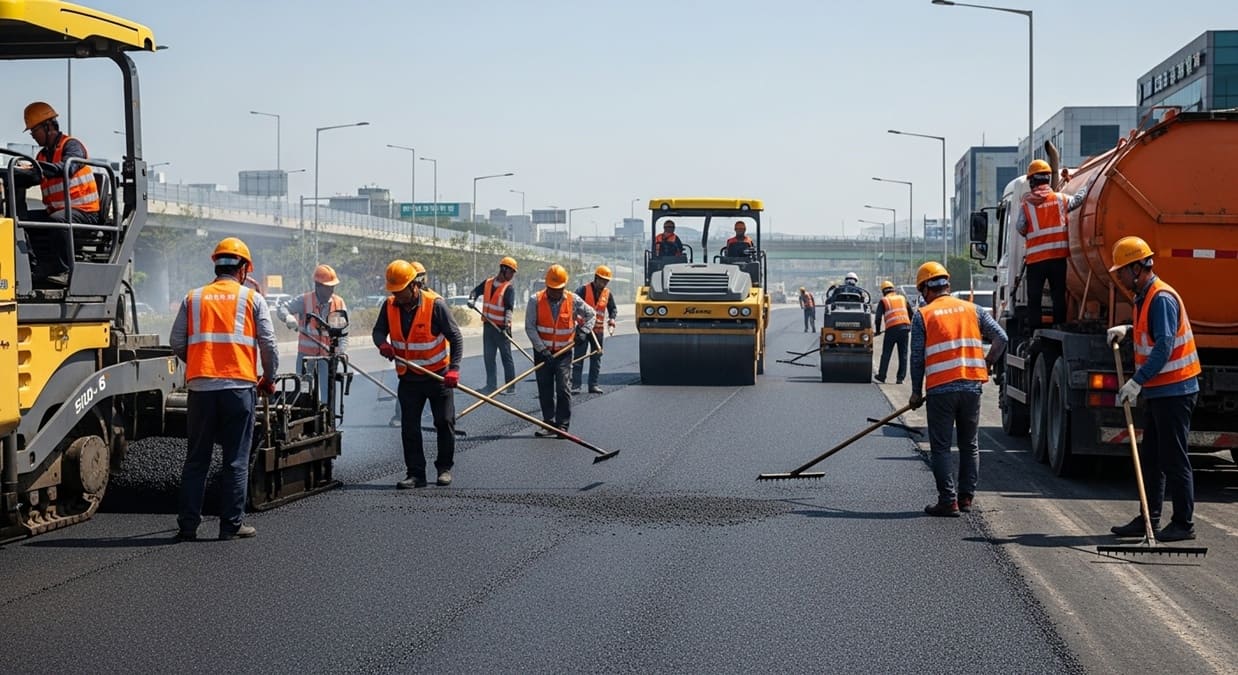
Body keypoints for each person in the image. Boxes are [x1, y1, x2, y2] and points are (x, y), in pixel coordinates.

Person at [169, 237, 278, 541]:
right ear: (244, 268)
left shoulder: (194, 298)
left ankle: (188, 526)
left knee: (196, 460)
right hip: (239, 389)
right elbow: (268, 343)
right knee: (235, 459)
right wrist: (269, 378)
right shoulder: (252, 299)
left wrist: (201, 362)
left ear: (216, 264)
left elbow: (176, 342)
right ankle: (231, 525)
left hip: (201, 389)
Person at [1106, 236, 1200, 543]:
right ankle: (1149, 517)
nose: (1119, 276)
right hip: (1161, 390)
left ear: (1137, 268)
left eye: (1122, 270)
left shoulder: (1160, 297)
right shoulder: (1144, 297)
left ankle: (1184, 524)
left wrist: (1136, 381)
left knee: (1174, 458)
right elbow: (1153, 332)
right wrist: (1129, 330)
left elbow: (1164, 346)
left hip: (1176, 390)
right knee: (1152, 457)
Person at [908, 262, 1007, 517]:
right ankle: (965, 499)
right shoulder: (974, 310)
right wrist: (986, 364)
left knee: (940, 447)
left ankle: (947, 501)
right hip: (971, 386)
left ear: (924, 289)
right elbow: (1001, 338)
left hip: (941, 389)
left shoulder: (923, 314)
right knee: (969, 445)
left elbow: (917, 357)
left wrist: (916, 392)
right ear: (947, 285)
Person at [375, 260, 463, 488]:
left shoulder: (436, 305)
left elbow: (456, 337)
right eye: (393, 291)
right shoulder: (389, 306)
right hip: (409, 378)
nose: (397, 296)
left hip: (437, 377)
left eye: (400, 291)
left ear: (414, 285)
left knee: (444, 422)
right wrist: (382, 344)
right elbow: (378, 332)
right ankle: (416, 474)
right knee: (409, 427)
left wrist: (454, 368)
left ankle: (444, 468)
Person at [18, 101, 101, 287]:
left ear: (48, 126)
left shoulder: (71, 146)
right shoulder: (40, 156)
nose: (33, 136)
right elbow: (36, 175)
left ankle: (64, 270)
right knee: (20, 220)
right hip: (58, 212)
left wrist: (38, 168)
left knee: (57, 220)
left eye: (34, 131)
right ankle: (38, 267)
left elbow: (67, 168)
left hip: (85, 212)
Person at [1016, 158, 1088, 331]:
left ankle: (1035, 329)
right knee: (1058, 295)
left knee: (1034, 297)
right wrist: (1087, 183)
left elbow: (1020, 227)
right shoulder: (1060, 199)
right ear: (1047, 179)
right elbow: (1078, 200)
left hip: (1036, 261)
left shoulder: (1027, 205)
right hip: (1057, 257)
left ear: (1032, 181)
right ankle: (1059, 325)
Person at [526, 264, 595, 436]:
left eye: (559, 289)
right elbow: (530, 327)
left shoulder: (573, 300)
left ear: (564, 286)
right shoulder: (536, 300)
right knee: (545, 388)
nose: (555, 292)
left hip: (563, 353)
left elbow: (592, 314)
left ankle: (562, 425)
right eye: (552, 289)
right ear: (547, 286)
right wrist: (542, 350)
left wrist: (583, 332)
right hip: (543, 353)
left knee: (564, 388)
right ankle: (548, 424)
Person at [280, 263, 347, 402]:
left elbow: (343, 334)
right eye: (328, 287)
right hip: (306, 358)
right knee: (304, 392)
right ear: (318, 286)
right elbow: (282, 308)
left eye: (332, 287)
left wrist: (340, 353)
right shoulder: (304, 300)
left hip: (328, 358)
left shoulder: (338, 303)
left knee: (328, 395)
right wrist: (288, 317)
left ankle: (327, 422)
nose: (331, 290)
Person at [469, 256, 519, 395]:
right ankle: (491, 385)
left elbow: (509, 309)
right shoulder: (488, 283)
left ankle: (511, 386)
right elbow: (475, 292)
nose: (512, 275)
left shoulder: (509, 288)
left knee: (506, 357)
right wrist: (472, 299)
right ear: (504, 269)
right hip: (488, 327)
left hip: (502, 328)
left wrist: (505, 327)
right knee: (489, 356)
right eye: (511, 272)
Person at [572, 265, 617, 394]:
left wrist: (612, 319)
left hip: (597, 331)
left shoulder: (607, 294)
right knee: (579, 357)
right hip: (583, 330)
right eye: (602, 280)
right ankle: (576, 385)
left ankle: (593, 385)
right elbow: (571, 304)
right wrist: (576, 316)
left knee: (596, 358)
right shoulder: (583, 290)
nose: (604, 283)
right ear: (596, 278)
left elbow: (612, 308)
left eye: (606, 281)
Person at [874, 280, 911, 384]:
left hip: (891, 329)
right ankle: (900, 378)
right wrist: (910, 326)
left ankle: (882, 376)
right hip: (904, 328)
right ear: (893, 289)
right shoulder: (902, 298)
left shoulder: (884, 300)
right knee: (903, 354)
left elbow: (878, 318)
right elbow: (911, 312)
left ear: (883, 291)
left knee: (886, 353)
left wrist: (877, 331)